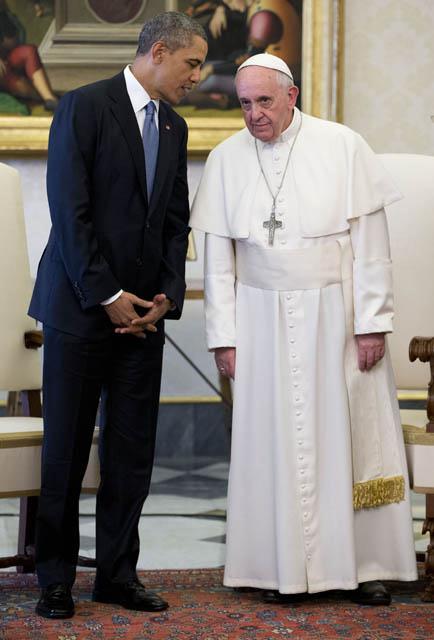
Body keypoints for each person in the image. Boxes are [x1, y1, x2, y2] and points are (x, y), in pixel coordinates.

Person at [190, 53, 417, 606]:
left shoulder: (342, 145)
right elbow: (217, 261)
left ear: (291, 95)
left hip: (336, 318)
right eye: (244, 104)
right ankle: (278, 569)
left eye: (264, 101)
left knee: (348, 439)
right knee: (273, 443)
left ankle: (364, 567)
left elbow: (371, 248)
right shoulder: (225, 159)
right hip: (261, 320)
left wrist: (372, 323)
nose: (254, 115)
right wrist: (224, 337)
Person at [29, 11, 207, 619]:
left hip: (144, 320)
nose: (197, 75)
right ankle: (53, 578)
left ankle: (117, 576)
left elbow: (175, 221)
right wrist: (107, 297)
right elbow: (69, 213)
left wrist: (165, 296)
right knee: (68, 448)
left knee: (133, 452)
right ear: (159, 51)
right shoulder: (83, 106)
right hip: (80, 309)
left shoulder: (176, 127)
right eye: (192, 63)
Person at [0, 0, 58, 111]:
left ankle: (49, 99)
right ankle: (37, 95)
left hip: (6, 59)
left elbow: (16, 40)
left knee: (29, 50)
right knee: (11, 77)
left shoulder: (4, 16)